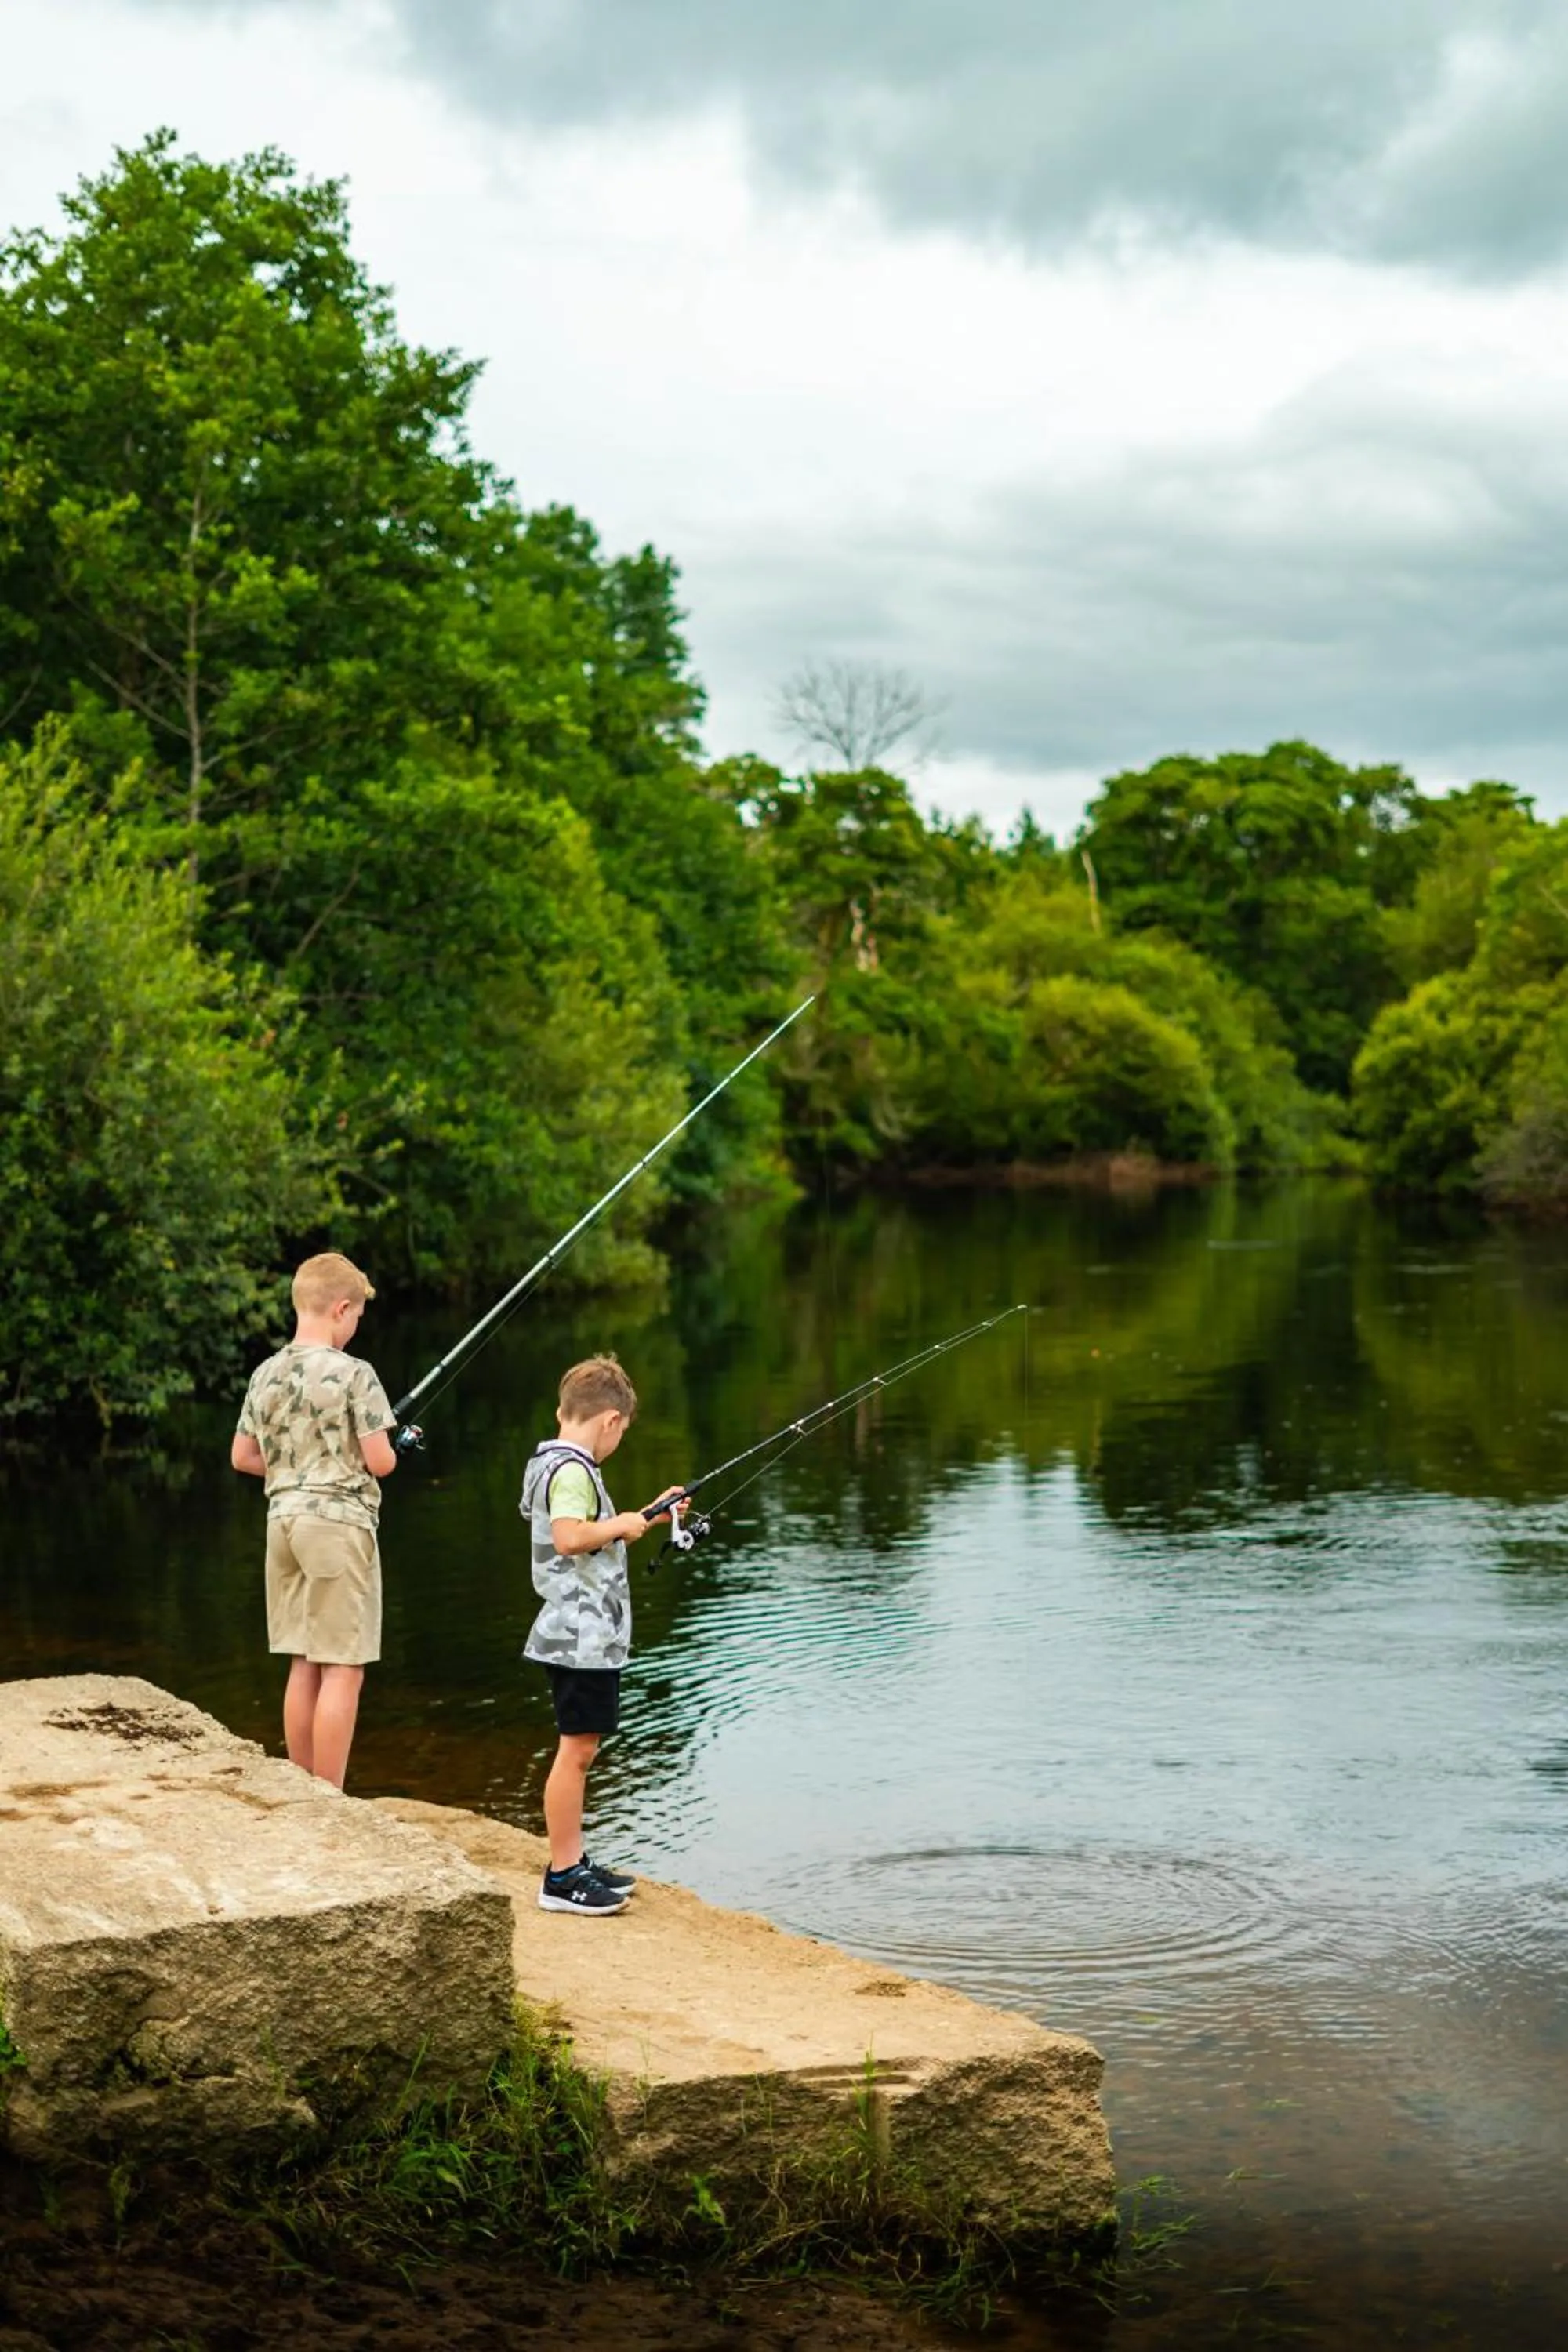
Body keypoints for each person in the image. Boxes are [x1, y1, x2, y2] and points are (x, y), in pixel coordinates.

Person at [230, 1251, 412, 1790]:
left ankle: (301, 1788)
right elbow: (381, 1461)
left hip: (282, 1523)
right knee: (344, 1666)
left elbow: (242, 1457)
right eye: (356, 1317)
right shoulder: (356, 1373)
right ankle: (329, 1799)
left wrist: (294, 1471)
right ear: (340, 1308)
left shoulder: (265, 1373)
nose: (355, 1327)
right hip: (337, 1525)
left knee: (303, 1659)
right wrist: (393, 1445)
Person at [521, 1354, 681, 1916]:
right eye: (622, 1433)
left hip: (578, 1633)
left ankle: (573, 1858)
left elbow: (592, 1541)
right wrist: (620, 1523)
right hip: (580, 1636)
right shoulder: (572, 1472)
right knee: (578, 1751)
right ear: (610, 1420)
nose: (618, 1443)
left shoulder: (554, 1463)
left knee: (580, 1747)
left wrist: (650, 1516)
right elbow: (570, 1538)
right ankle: (562, 1876)